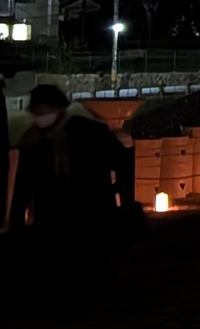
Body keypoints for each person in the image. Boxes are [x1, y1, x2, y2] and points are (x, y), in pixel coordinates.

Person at [7, 84, 123, 304]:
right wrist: (17, 217)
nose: (41, 117)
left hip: (88, 202)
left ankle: (93, 292)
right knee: (48, 252)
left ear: (58, 108)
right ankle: (48, 293)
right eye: (37, 112)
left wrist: (115, 193)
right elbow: (25, 182)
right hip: (51, 205)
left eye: (45, 110)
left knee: (91, 252)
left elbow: (119, 158)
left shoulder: (88, 131)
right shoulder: (33, 140)